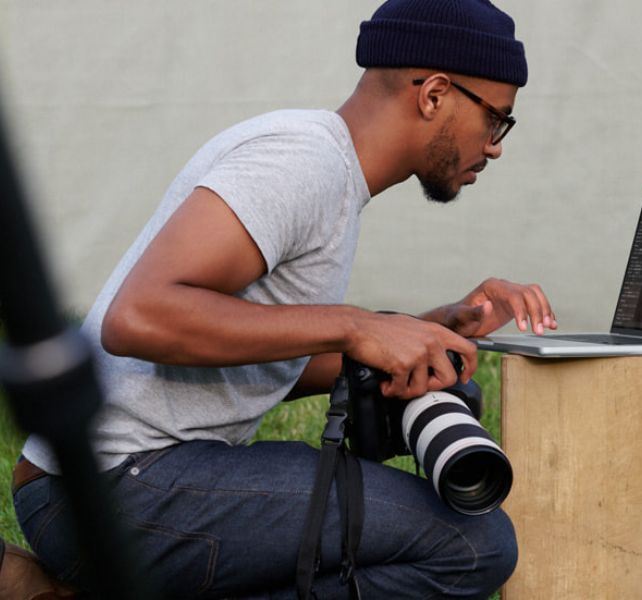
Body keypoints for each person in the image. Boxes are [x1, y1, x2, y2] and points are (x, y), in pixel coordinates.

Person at [10, 1, 558, 598]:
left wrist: (429, 327)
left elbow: (262, 359)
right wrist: (354, 326)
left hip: (122, 481)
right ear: (433, 95)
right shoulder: (304, 162)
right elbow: (138, 317)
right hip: (109, 490)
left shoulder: (331, 173)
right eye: (497, 120)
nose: (497, 145)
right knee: (473, 546)